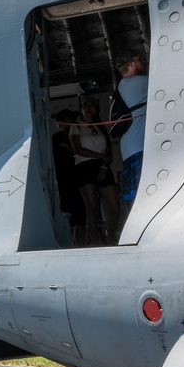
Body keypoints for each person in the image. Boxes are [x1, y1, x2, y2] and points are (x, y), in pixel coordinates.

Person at [70, 99, 123, 246]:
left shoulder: (100, 127)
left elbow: (109, 152)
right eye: (85, 106)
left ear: (96, 109)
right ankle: (95, 242)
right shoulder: (76, 126)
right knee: (92, 207)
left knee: (114, 207)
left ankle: (109, 240)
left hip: (102, 166)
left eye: (91, 105)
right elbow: (77, 149)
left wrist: (104, 166)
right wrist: (100, 156)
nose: (88, 108)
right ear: (80, 109)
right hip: (84, 166)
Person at [116, 50, 149, 208]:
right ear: (131, 64)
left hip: (129, 147)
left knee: (133, 196)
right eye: (139, 59)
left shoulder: (124, 85)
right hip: (138, 147)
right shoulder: (139, 83)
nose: (143, 62)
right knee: (143, 196)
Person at [53, 108, 88, 247]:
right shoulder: (55, 139)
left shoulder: (79, 138)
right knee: (66, 214)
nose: (70, 123)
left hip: (78, 181)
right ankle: (68, 245)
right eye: (67, 120)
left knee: (81, 216)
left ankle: (81, 246)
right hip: (62, 183)